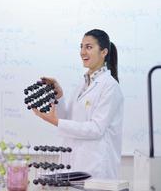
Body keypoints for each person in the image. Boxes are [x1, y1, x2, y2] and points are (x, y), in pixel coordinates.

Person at [33, 29, 124, 179]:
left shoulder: (110, 86)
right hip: (74, 162)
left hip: (95, 167)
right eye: (81, 47)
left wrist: (55, 121)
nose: (82, 52)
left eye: (88, 47)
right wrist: (59, 95)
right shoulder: (83, 83)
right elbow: (69, 120)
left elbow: (96, 129)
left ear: (104, 52)